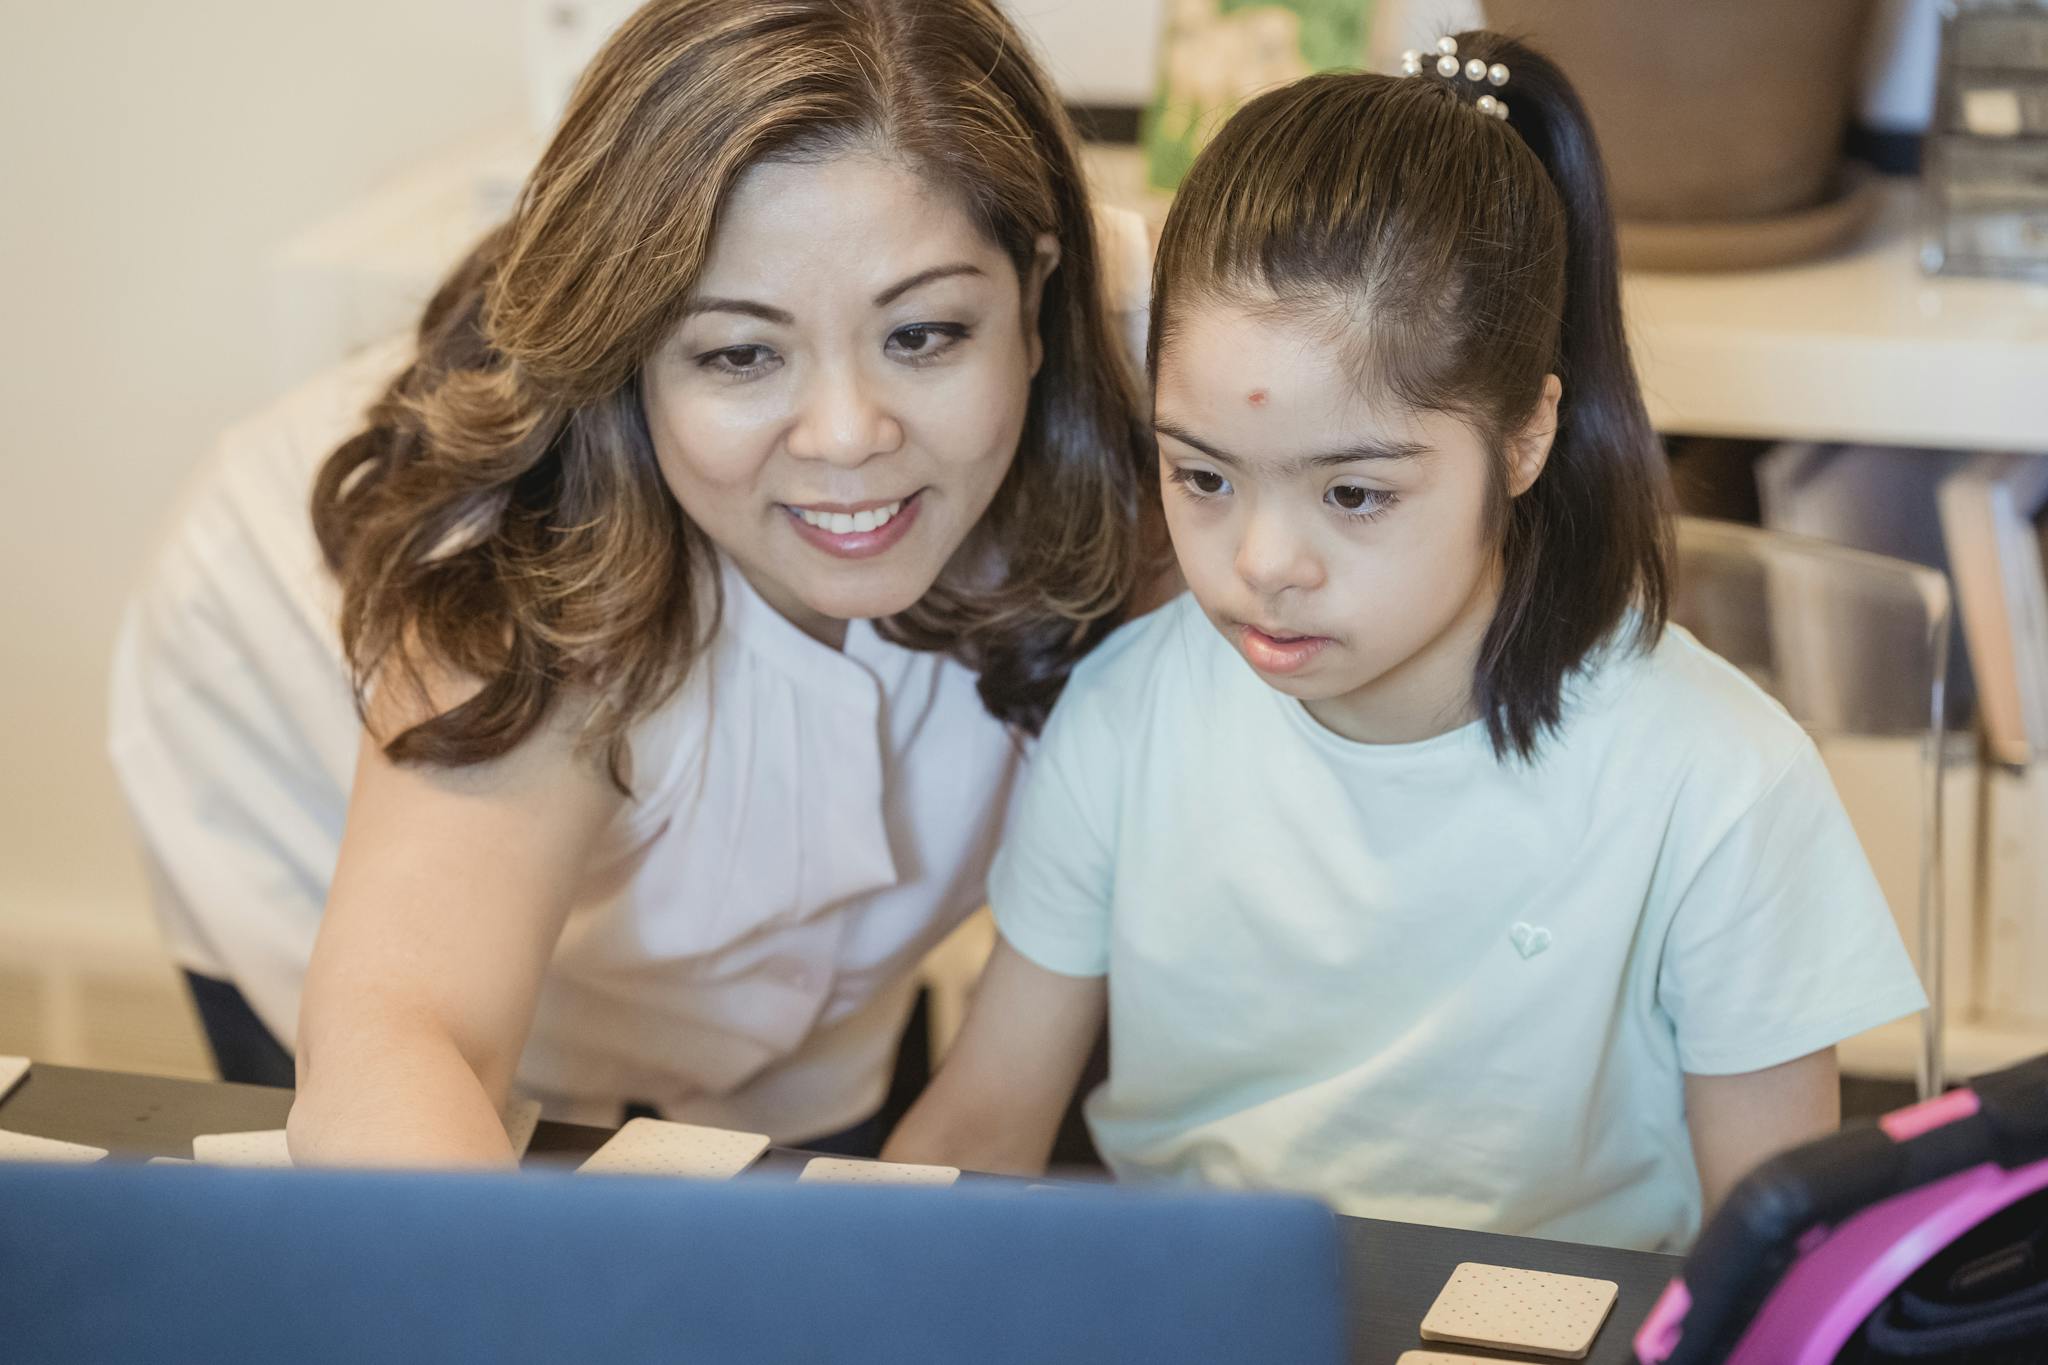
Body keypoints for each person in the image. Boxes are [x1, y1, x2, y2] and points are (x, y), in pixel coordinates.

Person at [883, 33, 1927, 1253]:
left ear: (1525, 437)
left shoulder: (1718, 785)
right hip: (1201, 1313)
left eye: (1353, 495)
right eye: (1203, 475)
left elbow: (1778, 1265)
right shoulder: (1127, 711)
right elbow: (986, 1117)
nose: (1262, 564)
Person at [108, 0, 1156, 1165]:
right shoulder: (516, 554)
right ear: (631, 355)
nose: (849, 435)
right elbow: (408, 1036)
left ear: (1037, 292)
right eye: (738, 353)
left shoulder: (1177, 382)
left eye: (922, 335)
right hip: (298, 746)